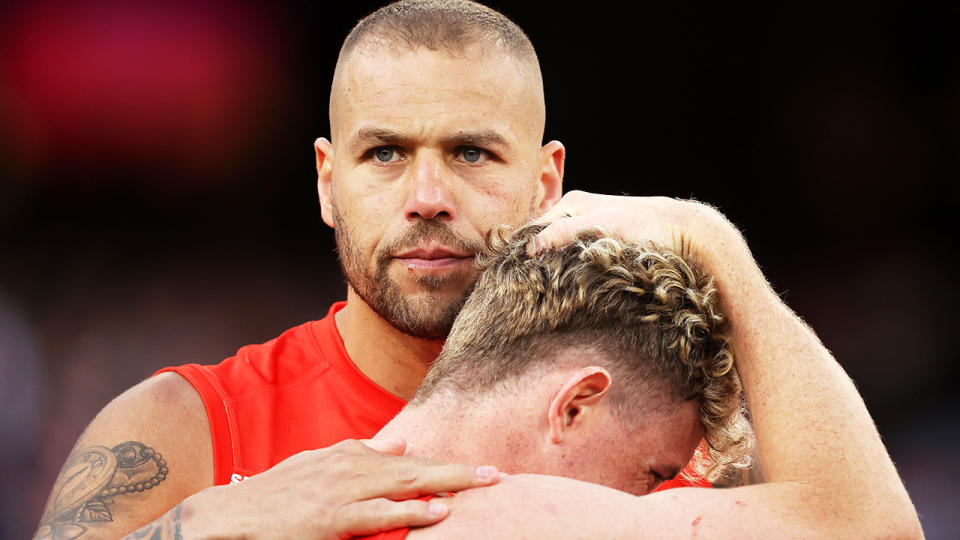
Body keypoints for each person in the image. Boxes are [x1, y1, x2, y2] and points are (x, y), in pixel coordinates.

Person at [33, 1, 922, 539]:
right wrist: (227, 521)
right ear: (325, 182)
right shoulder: (191, 428)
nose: (426, 195)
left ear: (548, 184)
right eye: (384, 154)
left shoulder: (654, 445)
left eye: (470, 153)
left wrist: (706, 238)